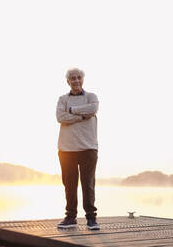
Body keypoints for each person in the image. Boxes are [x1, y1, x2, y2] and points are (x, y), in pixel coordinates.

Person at [56, 68, 100, 230]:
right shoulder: (62, 99)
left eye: (78, 78)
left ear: (83, 80)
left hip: (88, 148)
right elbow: (60, 117)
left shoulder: (91, 97)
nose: (76, 80)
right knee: (69, 184)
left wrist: (73, 111)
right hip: (66, 149)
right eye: (72, 78)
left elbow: (93, 109)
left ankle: (91, 218)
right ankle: (70, 217)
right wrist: (82, 116)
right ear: (68, 81)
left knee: (88, 184)